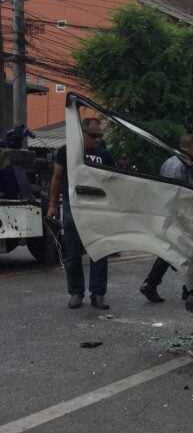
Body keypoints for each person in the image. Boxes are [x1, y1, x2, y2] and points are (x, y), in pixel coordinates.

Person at [47, 117, 114, 309]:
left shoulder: (105, 155)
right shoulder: (66, 151)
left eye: (100, 135)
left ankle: (98, 294)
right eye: (94, 136)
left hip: (98, 207)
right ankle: (76, 292)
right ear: (82, 133)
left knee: (99, 251)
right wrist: (52, 205)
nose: (98, 139)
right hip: (73, 206)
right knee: (72, 253)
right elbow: (57, 177)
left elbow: (112, 181)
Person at [139, 135, 193, 303]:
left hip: (165, 213)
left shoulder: (167, 163)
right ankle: (188, 289)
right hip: (181, 215)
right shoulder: (186, 165)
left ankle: (152, 284)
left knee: (170, 251)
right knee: (192, 250)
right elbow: (186, 192)